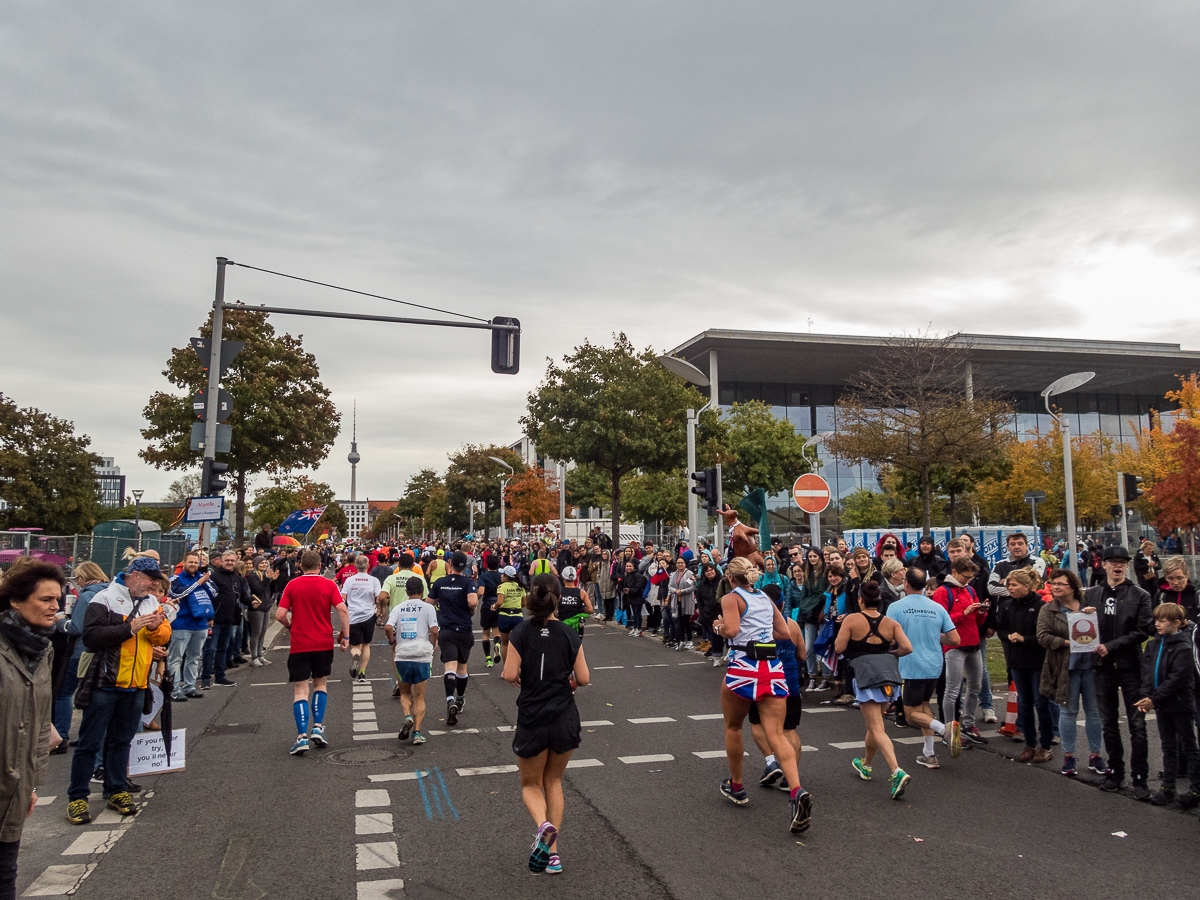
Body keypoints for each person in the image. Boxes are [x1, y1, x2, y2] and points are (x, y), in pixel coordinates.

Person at [67, 557, 171, 824]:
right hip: (105, 681)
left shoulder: (150, 601)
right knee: (90, 742)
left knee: (122, 741)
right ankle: (78, 797)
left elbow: (163, 636)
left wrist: (155, 628)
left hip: (136, 683)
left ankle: (115, 789)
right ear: (134, 576)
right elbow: (90, 637)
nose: (155, 584)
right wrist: (130, 628)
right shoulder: (104, 599)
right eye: (151, 579)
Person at [713, 556, 812, 834]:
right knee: (777, 734)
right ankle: (797, 791)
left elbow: (731, 630)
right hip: (772, 667)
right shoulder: (766, 599)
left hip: (744, 665)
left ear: (732, 578)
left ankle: (737, 786)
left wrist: (719, 627)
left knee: (733, 726)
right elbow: (783, 632)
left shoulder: (732, 598)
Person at [502, 573, 590, 874]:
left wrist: (520, 678)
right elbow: (584, 678)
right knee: (554, 781)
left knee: (530, 783)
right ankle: (553, 854)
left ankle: (543, 826)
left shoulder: (521, 631)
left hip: (533, 715)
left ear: (531, 598)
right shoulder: (568, 633)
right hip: (564, 714)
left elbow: (509, 673)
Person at [0, 560, 63, 898]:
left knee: (6, 875)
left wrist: (32, 784)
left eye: (58, 599)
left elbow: (40, 723)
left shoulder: (44, 648)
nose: (55, 607)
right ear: (15, 600)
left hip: (14, 785)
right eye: (45, 599)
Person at [835, 581, 914, 798]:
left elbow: (839, 647)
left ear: (860, 599)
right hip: (889, 675)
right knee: (873, 724)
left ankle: (896, 770)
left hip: (865, 675)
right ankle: (866, 764)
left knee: (877, 727)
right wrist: (890, 655)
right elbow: (907, 647)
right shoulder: (890, 622)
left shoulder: (852, 619)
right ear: (879, 601)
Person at [1085, 546, 1153, 797]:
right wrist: (1084, 617)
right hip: (1102, 668)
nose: (1118, 565)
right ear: (1103, 565)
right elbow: (1082, 629)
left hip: (1130, 667)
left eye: (1122, 562)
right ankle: (1116, 771)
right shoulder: (1091, 594)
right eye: (1113, 561)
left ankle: (1140, 778)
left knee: (1137, 725)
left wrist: (1111, 647)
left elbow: (1142, 631)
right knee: (1109, 723)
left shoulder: (1140, 595)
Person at [276, 550, 350, 756]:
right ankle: (318, 727)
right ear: (320, 566)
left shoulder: (293, 585)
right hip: (323, 642)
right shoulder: (328, 584)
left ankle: (301, 737)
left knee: (300, 690)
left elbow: (280, 614)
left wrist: (291, 625)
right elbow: (343, 610)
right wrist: (346, 637)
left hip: (300, 643)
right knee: (321, 684)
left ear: (300, 566)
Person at [887, 567, 961, 769]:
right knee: (925, 707)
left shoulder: (895, 607)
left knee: (911, 715)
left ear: (907, 584)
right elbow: (955, 638)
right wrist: (934, 636)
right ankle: (929, 754)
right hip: (934, 664)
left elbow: (891, 638)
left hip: (911, 665)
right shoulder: (937, 607)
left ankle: (944, 729)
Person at [1037, 569, 1107, 779]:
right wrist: (1068, 643)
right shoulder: (1048, 609)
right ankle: (1069, 756)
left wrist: (1094, 617)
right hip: (1065, 667)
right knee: (1068, 712)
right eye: (1053, 583)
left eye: (1061, 584)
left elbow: (1103, 628)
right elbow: (1042, 636)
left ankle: (1095, 755)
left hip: (1092, 666)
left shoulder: (1089, 604)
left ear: (1073, 587)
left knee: (1094, 713)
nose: (1056, 587)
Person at [1134, 602, 1200, 807]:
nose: (1158, 625)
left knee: (1189, 746)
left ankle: (1196, 789)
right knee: (1168, 746)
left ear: (1177, 623)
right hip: (1161, 704)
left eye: (1162, 621)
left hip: (1179, 704)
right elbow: (1147, 673)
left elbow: (1177, 679)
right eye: (1156, 621)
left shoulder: (1184, 647)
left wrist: (1154, 699)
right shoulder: (1154, 644)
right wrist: (1146, 695)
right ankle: (1168, 787)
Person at [997, 568, 1055, 763]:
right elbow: (1001, 629)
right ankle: (1030, 744)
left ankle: (1045, 745)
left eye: (1014, 585)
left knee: (1041, 702)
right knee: (1024, 703)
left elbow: (1044, 636)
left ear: (1027, 586)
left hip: (1037, 662)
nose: (1010, 589)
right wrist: (1008, 637)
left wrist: (1024, 639)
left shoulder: (1041, 606)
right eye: (1008, 585)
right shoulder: (1006, 606)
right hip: (1016, 662)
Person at [932, 557, 989, 745]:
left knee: (975, 686)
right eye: (966, 577)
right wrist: (963, 614)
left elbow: (977, 620)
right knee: (953, 689)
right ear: (954, 572)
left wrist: (981, 612)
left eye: (971, 577)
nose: (968, 580)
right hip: (954, 645)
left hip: (973, 643)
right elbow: (940, 620)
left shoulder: (970, 589)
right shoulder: (943, 591)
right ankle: (949, 730)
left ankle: (969, 724)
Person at [54, 562, 109, 742]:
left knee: (64, 693)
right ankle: (88, 735)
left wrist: (60, 622)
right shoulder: (110, 593)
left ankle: (60, 736)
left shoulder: (86, 596)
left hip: (82, 650)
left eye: (77, 577)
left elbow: (77, 627)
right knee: (91, 693)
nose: (76, 581)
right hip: (104, 650)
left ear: (85, 576)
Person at [385, 577, 439, 746]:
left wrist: (393, 642)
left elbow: (388, 627)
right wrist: (432, 643)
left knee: (405, 692)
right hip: (422, 654)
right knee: (420, 696)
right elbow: (434, 630)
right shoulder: (429, 607)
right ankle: (416, 732)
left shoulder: (398, 608)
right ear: (422, 590)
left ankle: (407, 716)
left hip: (403, 654)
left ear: (406, 592)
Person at [430, 551, 479, 727]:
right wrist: (471, 609)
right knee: (462, 667)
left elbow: (429, 603)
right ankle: (460, 698)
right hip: (464, 629)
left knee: (449, 666)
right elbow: (473, 602)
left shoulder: (440, 583)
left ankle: (450, 699)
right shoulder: (469, 583)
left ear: (450, 564)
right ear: (465, 566)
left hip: (447, 629)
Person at [201, 550, 248, 689]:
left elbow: (242, 596)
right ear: (221, 560)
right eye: (227, 560)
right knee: (210, 649)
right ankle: (205, 678)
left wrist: (252, 602)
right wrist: (209, 616)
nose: (229, 563)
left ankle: (220, 677)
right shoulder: (214, 576)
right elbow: (208, 597)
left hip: (230, 620)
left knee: (223, 648)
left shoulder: (236, 578)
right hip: (215, 620)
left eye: (232, 561)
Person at [341, 556, 382, 682]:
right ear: (368, 565)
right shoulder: (374, 580)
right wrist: (379, 610)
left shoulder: (349, 580)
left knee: (355, 645)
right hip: (369, 615)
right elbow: (378, 598)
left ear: (355, 566)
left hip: (353, 615)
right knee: (366, 644)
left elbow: (343, 597)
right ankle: (362, 673)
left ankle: (355, 656)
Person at [245, 555, 274, 667]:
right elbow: (258, 589)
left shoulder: (265, 575)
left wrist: (273, 580)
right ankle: (254, 657)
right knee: (256, 633)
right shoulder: (253, 576)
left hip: (266, 607)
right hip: (256, 608)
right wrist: (267, 579)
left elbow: (271, 590)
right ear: (256, 564)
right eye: (261, 563)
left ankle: (260, 655)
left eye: (265, 563)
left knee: (263, 633)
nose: (264, 565)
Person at [478, 555, 503, 667]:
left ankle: (488, 659)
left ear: (486, 564)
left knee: (485, 633)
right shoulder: (501, 576)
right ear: (498, 564)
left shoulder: (483, 577)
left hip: (487, 605)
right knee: (496, 630)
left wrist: (476, 599)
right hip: (498, 604)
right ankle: (497, 644)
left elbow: (481, 591)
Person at [556, 567, 593, 638]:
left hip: (561, 623)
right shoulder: (582, 593)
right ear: (575, 578)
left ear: (563, 577)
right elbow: (590, 609)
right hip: (576, 625)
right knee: (577, 645)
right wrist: (582, 609)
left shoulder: (558, 592)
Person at [619, 560, 647, 636]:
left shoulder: (637, 575)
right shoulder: (626, 575)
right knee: (633, 614)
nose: (628, 568)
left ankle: (638, 629)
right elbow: (625, 585)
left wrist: (630, 590)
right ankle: (634, 628)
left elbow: (639, 586)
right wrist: (625, 589)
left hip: (638, 596)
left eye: (630, 566)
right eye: (627, 566)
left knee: (637, 613)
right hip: (630, 597)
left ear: (633, 567)